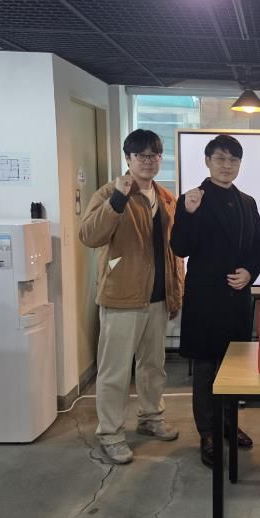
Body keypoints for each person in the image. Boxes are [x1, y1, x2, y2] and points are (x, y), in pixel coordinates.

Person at [79, 129, 183, 465]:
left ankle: (151, 417)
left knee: (153, 366)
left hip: (158, 297)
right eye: (141, 155)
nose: (148, 161)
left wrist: (175, 293)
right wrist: (117, 201)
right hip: (122, 296)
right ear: (128, 158)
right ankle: (110, 433)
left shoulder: (166, 197)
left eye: (154, 155)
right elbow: (89, 235)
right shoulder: (110, 193)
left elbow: (172, 253)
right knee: (115, 370)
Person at [170, 134, 260, 468]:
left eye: (233, 160)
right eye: (220, 159)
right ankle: (208, 434)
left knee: (235, 367)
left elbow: (259, 243)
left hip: (237, 299)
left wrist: (250, 273)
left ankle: (229, 424)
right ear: (208, 161)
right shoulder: (193, 198)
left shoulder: (247, 201)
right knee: (206, 368)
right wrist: (188, 213)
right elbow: (180, 247)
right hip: (205, 299)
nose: (227, 166)